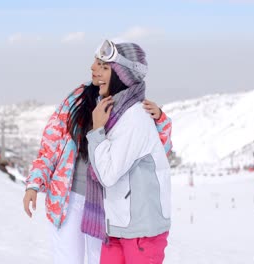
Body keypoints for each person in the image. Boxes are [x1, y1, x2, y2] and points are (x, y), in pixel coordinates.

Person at [23, 43, 172, 264]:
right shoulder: (77, 99)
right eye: (95, 62)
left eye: (102, 65)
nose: (93, 68)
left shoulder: (129, 107)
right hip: (69, 198)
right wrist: (34, 183)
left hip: (105, 203)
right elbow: (51, 143)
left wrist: (160, 119)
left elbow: (157, 150)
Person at [87, 40, 171, 264]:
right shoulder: (114, 113)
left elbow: (108, 174)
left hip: (142, 233)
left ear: (121, 76)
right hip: (117, 228)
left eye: (105, 67)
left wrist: (96, 132)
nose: (95, 71)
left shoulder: (134, 117)